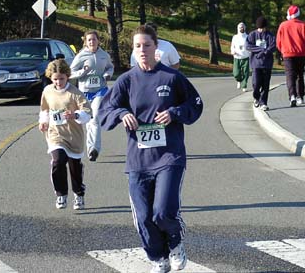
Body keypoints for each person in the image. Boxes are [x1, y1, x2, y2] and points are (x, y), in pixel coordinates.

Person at [98, 25, 203, 272]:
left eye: (147, 45)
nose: (142, 50)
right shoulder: (126, 81)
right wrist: (122, 113)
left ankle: (176, 243)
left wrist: (175, 113)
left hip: (169, 156)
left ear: (157, 47)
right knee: (144, 217)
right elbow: (104, 112)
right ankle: (158, 256)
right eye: (137, 46)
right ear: (133, 51)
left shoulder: (172, 78)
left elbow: (196, 105)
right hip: (138, 160)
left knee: (162, 211)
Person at [39, 59, 92, 210]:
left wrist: (75, 115)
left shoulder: (74, 93)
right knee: (58, 161)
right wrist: (43, 121)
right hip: (55, 134)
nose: (58, 82)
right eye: (55, 79)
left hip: (73, 136)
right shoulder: (48, 91)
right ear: (50, 77)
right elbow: (44, 109)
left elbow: (88, 113)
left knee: (74, 167)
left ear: (67, 76)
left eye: (61, 78)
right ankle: (61, 193)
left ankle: (79, 193)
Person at [70, 30, 114, 162]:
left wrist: (107, 75)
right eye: (89, 40)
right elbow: (71, 72)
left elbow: (110, 67)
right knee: (88, 122)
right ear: (85, 42)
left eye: (94, 39)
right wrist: (83, 72)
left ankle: (93, 149)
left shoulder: (104, 55)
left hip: (100, 91)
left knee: (94, 119)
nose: (92, 42)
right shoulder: (81, 56)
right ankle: (91, 148)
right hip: (84, 92)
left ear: (98, 41)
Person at [276, 5, 305, 107]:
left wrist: (282, 51)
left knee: (290, 76)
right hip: (301, 53)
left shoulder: (283, 25)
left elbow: (278, 42)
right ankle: (300, 96)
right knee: (299, 75)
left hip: (287, 54)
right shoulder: (302, 25)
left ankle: (292, 95)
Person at [246, 16, 276, 111]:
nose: (261, 30)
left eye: (262, 28)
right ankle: (256, 97)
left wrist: (265, 52)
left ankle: (263, 102)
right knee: (256, 83)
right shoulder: (252, 35)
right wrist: (261, 50)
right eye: (259, 28)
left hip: (267, 64)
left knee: (265, 84)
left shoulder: (270, 35)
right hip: (256, 64)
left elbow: (273, 46)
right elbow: (248, 46)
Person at [230, 22, 250, 92]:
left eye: (243, 27)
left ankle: (244, 85)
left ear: (244, 28)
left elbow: (250, 46)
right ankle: (239, 80)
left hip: (245, 57)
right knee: (236, 73)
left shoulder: (247, 37)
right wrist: (233, 51)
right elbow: (232, 46)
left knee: (246, 72)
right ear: (238, 28)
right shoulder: (235, 37)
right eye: (240, 27)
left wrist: (250, 53)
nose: (242, 28)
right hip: (237, 57)